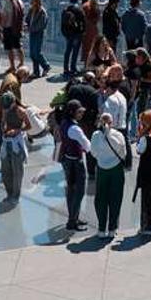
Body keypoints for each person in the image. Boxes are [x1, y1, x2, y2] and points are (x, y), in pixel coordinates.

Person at [92, 112, 131, 235]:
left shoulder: (96, 135)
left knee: (101, 199)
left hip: (102, 169)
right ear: (112, 122)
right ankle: (112, 228)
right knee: (115, 199)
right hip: (116, 170)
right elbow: (124, 153)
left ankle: (101, 228)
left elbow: (93, 152)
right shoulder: (118, 135)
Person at [56, 100, 91, 233]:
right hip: (76, 162)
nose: (81, 114)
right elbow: (87, 146)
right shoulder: (75, 128)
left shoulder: (64, 123)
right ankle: (72, 221)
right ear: (73, 112)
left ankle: (74, 217)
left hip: (66, 160)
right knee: (79, 191)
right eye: (79, 112)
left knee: (71, 190)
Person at [60, 0, 85, 78]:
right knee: (75, 52)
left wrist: (64, 33)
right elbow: (83, 22)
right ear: (77, 1)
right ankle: (73, 68)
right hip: (77, 34)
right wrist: (82, 32)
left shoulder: (65, 9)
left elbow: (62, 24)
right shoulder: (79, 10)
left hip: (68, 34)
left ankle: (65, 68)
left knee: (67, 51)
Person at [27, 0, 49, 79]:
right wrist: (26, 25)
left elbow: (42, 24)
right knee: (32, 53)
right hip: (32, 33)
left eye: (33, 1)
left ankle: (46, 66)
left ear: (37, 1)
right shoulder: (31, 10)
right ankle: (36, 71)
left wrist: (32, 29)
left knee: (37, 53)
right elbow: (27, 19)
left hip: (38, 34)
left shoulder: (42, 11)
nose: (31, 3)